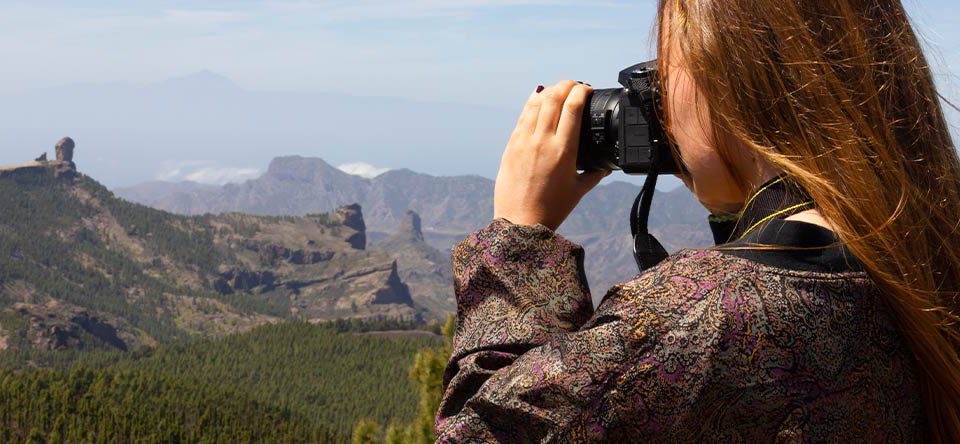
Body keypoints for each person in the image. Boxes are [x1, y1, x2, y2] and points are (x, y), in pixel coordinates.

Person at [435, 0, 960, 442]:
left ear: (732, 82)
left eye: (664, 69)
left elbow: (478, 430)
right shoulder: (925, 253)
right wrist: (733, 195)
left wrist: (519, 239)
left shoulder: (693, 315)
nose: (656, 101)